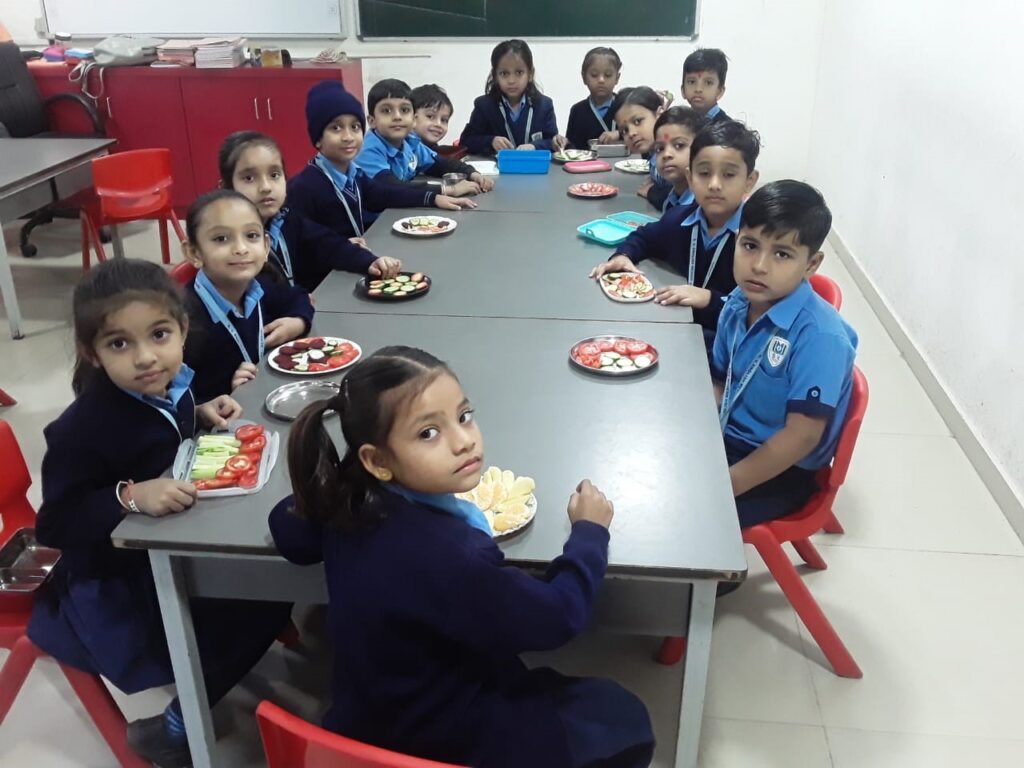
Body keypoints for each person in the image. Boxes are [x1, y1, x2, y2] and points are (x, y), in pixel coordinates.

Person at [269, 347, 655, 768]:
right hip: (445, 737)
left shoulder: (348, 499)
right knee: (623, 717)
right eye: (428, 433)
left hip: (367, 721)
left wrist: (339, 478)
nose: (463, 441)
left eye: (464, 415)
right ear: (376, 459)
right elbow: (557, 617)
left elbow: (287, 531)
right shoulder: (453, 556)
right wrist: (590, 534)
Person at [27, 258, 291, 768]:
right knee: (265, 603)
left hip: (175, 540)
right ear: (92, 353)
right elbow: (54, 523)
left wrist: (201, 414)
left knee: (268, 586)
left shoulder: (174, 384)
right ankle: (174, 728)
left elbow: (162, 429)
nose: (146, 357)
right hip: (120, 582)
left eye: (159, 335)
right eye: (119, 344)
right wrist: (130, 495)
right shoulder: (82, 429)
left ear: (183, 330)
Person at [712, 180, 857, 529]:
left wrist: (724, 485)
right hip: (728, 436)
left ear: (811, 264)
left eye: (782, 254)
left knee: (687, 517)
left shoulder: (820, 338)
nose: (759, 266)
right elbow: (720, 380)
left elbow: (801, 437)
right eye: (750, 245)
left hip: (781, 469)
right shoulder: (738, 302)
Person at [590, 119, 761, 338]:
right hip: (677, 329)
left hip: (727, 344)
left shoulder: (757, 242)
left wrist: (709, 299)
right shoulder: (680, 219)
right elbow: (645, 236)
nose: (714, 185)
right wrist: (624, 255)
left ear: (749, 181)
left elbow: (757, 313)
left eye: (728, 175)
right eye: (704, 173)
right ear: (690, 177)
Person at [288, 81, 475, 240]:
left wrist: (437, 196)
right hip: (363, 237)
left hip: (365, 240)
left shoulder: (355, 174)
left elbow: (385, 194)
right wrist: (447, 190)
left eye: (354, 127)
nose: (348, 137)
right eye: (336, 128)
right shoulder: (304, 187)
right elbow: (306, 243)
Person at [219, 130, 402, 292]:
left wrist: (369, 261)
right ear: (227, 187)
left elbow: (326, 243)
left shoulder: (284, 218)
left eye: (274, 175)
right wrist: (297, 307)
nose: (266, 187)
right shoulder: (231, 245)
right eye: (249, 178)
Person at [181, 189, 314, 402]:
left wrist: (297, 322)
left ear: (265, 246)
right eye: (221, 238)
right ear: (194, 253)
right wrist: (227, 393)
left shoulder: (261, 284)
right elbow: (178, 398)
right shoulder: (184, 321)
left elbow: (298, 297)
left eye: (251, 236)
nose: (241, 248)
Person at [357, 78, 493, 196]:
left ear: (413, 118)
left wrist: (473, 173)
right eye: (386, 111)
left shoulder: (409, 143)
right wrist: (449, 190)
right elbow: (390, 187)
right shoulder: (368, 149)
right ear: (372, 121)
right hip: (375, 217)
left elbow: (440, 164)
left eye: (404, 110)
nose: (397, 116)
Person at [459, 39, 567, 155]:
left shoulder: (544, 105)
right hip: (498, 166)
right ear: (495, 76)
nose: (511, 81)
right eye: (504, 74)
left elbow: (552, 142)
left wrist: (534, 146)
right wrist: (491, 141)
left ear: (530, 74)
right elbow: (466, 141)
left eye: (519, 73)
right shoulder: (484, 106)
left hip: (533, 165)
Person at [607, 86, 671, 210]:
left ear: (659, 114)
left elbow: (682, 199)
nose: (631, 133)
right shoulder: (651, 152)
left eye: (637, 121)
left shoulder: (674, 153)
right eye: (624, 130)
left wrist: (652, 193)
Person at [650, 106, 706, 212]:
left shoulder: (702, 207)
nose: (666, 154)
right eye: (660, 149)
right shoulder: (671, 200)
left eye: (679, 145)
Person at [565, 46, 622, 149]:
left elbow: (639, 134)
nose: (601, 80)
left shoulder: (625, 106)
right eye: (594, 75)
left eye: (608, 75)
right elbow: (571, 148)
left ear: (617, 78)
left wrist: (619, 133)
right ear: (584, 78)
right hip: (586, 160)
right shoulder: (577, 111)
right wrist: (563, 142)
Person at [681, 48, 731, 122]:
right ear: (683, 90)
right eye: (691, 82)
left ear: (720, 91)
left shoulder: (728, 127)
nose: (698, 89)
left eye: (708, 83)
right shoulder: (680, 123)